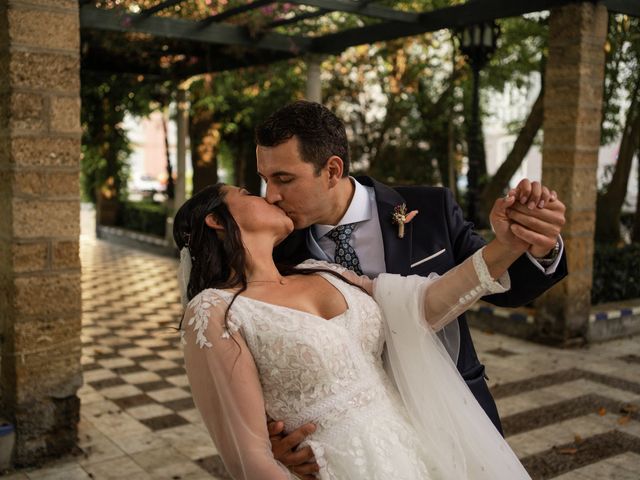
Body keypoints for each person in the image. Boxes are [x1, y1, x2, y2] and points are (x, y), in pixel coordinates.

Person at [254, 101, 568, 478]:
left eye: (283, 179)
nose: (270, 195)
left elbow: (504, 290)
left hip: (451, 413)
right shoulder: (272, 248)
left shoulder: (430, 207)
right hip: (357, 446)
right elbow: (264, 356)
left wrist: (539, 245)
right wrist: (268, 440)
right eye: (265, 179)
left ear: (332, 170)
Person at [174, 182, 539, 479]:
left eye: (281, 179)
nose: (269, 195)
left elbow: (424, 304)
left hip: (416, 450)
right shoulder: (214, 310)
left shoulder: (324, 270)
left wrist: (506, 246)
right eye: (249, 193)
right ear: (215, 221)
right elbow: (250, 458)